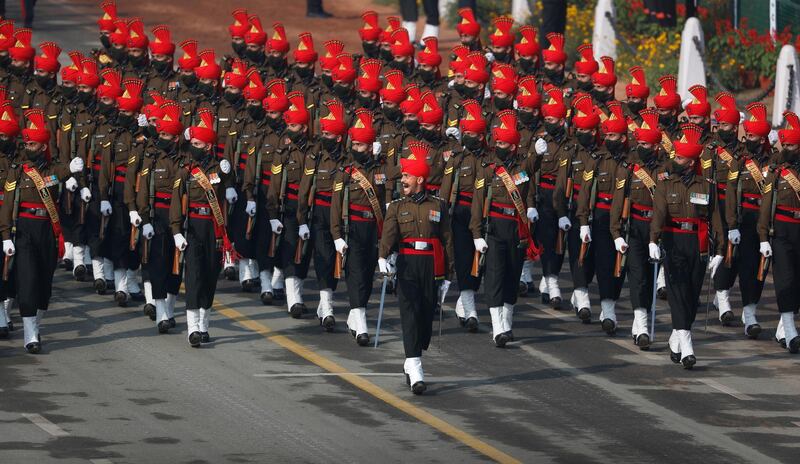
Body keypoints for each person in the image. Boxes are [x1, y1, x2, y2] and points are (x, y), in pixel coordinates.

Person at [1, 109, 82, 353]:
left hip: (47, 228)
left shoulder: (54, 169)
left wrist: (72, 170)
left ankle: (36, 322)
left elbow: (55, 179)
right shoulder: (18, 170)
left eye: (33, 143)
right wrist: (6, 236)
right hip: (24, 230)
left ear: (43, 144)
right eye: (26, 143)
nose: (28, 147)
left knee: (44, 282)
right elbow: (7, 205)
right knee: (27, 280)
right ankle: (30, 334)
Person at [378, 142, 454, 394]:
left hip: (432, 266)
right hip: (407, 265)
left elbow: (447, 239)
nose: (403, 180)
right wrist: (383, 257)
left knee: (424, 318)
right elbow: (388, 236)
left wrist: (448, 277)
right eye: (403, 176)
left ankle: (413, 357)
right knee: (409, 313)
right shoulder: (398, 206)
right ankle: (415, 365)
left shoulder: (438, 205)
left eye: (407, 176)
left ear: (420, 179)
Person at [649, 123, 725, 369]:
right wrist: (654, 240)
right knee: (678, 291)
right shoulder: (665, 182)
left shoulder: (706, 185)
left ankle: (676, 335)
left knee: (691, 295)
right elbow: (659, 213)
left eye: (680, 157)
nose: (675, 160)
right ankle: (688, 345)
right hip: (673, 242)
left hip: (698, 243)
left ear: (691, 162)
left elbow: (714, 218)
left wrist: (720, 250)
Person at [470, 110, 539, 347]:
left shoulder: (521, 168)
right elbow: (478, 203)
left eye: (502, 142)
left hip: (516, 228)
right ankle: (497, 327)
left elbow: (529, 189)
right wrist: (477, 234)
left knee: (512, 275)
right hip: (495, 229)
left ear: (512, 145)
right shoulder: (488, 169)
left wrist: (530, 208)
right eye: (496, 141)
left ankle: (507, 322)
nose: (497, 145)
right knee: (495, 276)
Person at [170, 108, 234, 347]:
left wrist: (229, 174)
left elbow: (229, 190)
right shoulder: (185, 171)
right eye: (192, 143)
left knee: (210, 276)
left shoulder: (219, 169)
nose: (193, 146)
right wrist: (176, 231)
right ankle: (193, 328)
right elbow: (177, 201)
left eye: (197, 143)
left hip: (214, 229)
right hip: (194, 227)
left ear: (208, 146)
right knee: (194, 276)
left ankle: (205, 323)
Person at [610, 109, 667, 349]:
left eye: (646, 143)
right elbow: (617, 201)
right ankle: (641, 322)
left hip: (657, 228)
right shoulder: (629, 168)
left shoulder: (665, 170)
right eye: (640, 142)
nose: (641, 146)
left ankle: (642, 316)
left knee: (651, 278)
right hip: (634, 228)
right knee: (638, 277)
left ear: (655, 145)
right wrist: (616, 233)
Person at [758, 111, 800, 354]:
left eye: (792, 145)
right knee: (785, 279)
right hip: (781, 230)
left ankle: (784, 327)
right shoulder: (775, 170)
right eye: (785, 144)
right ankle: (790, 329)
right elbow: (766, 205)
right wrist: (764, 237)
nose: (787, 148)